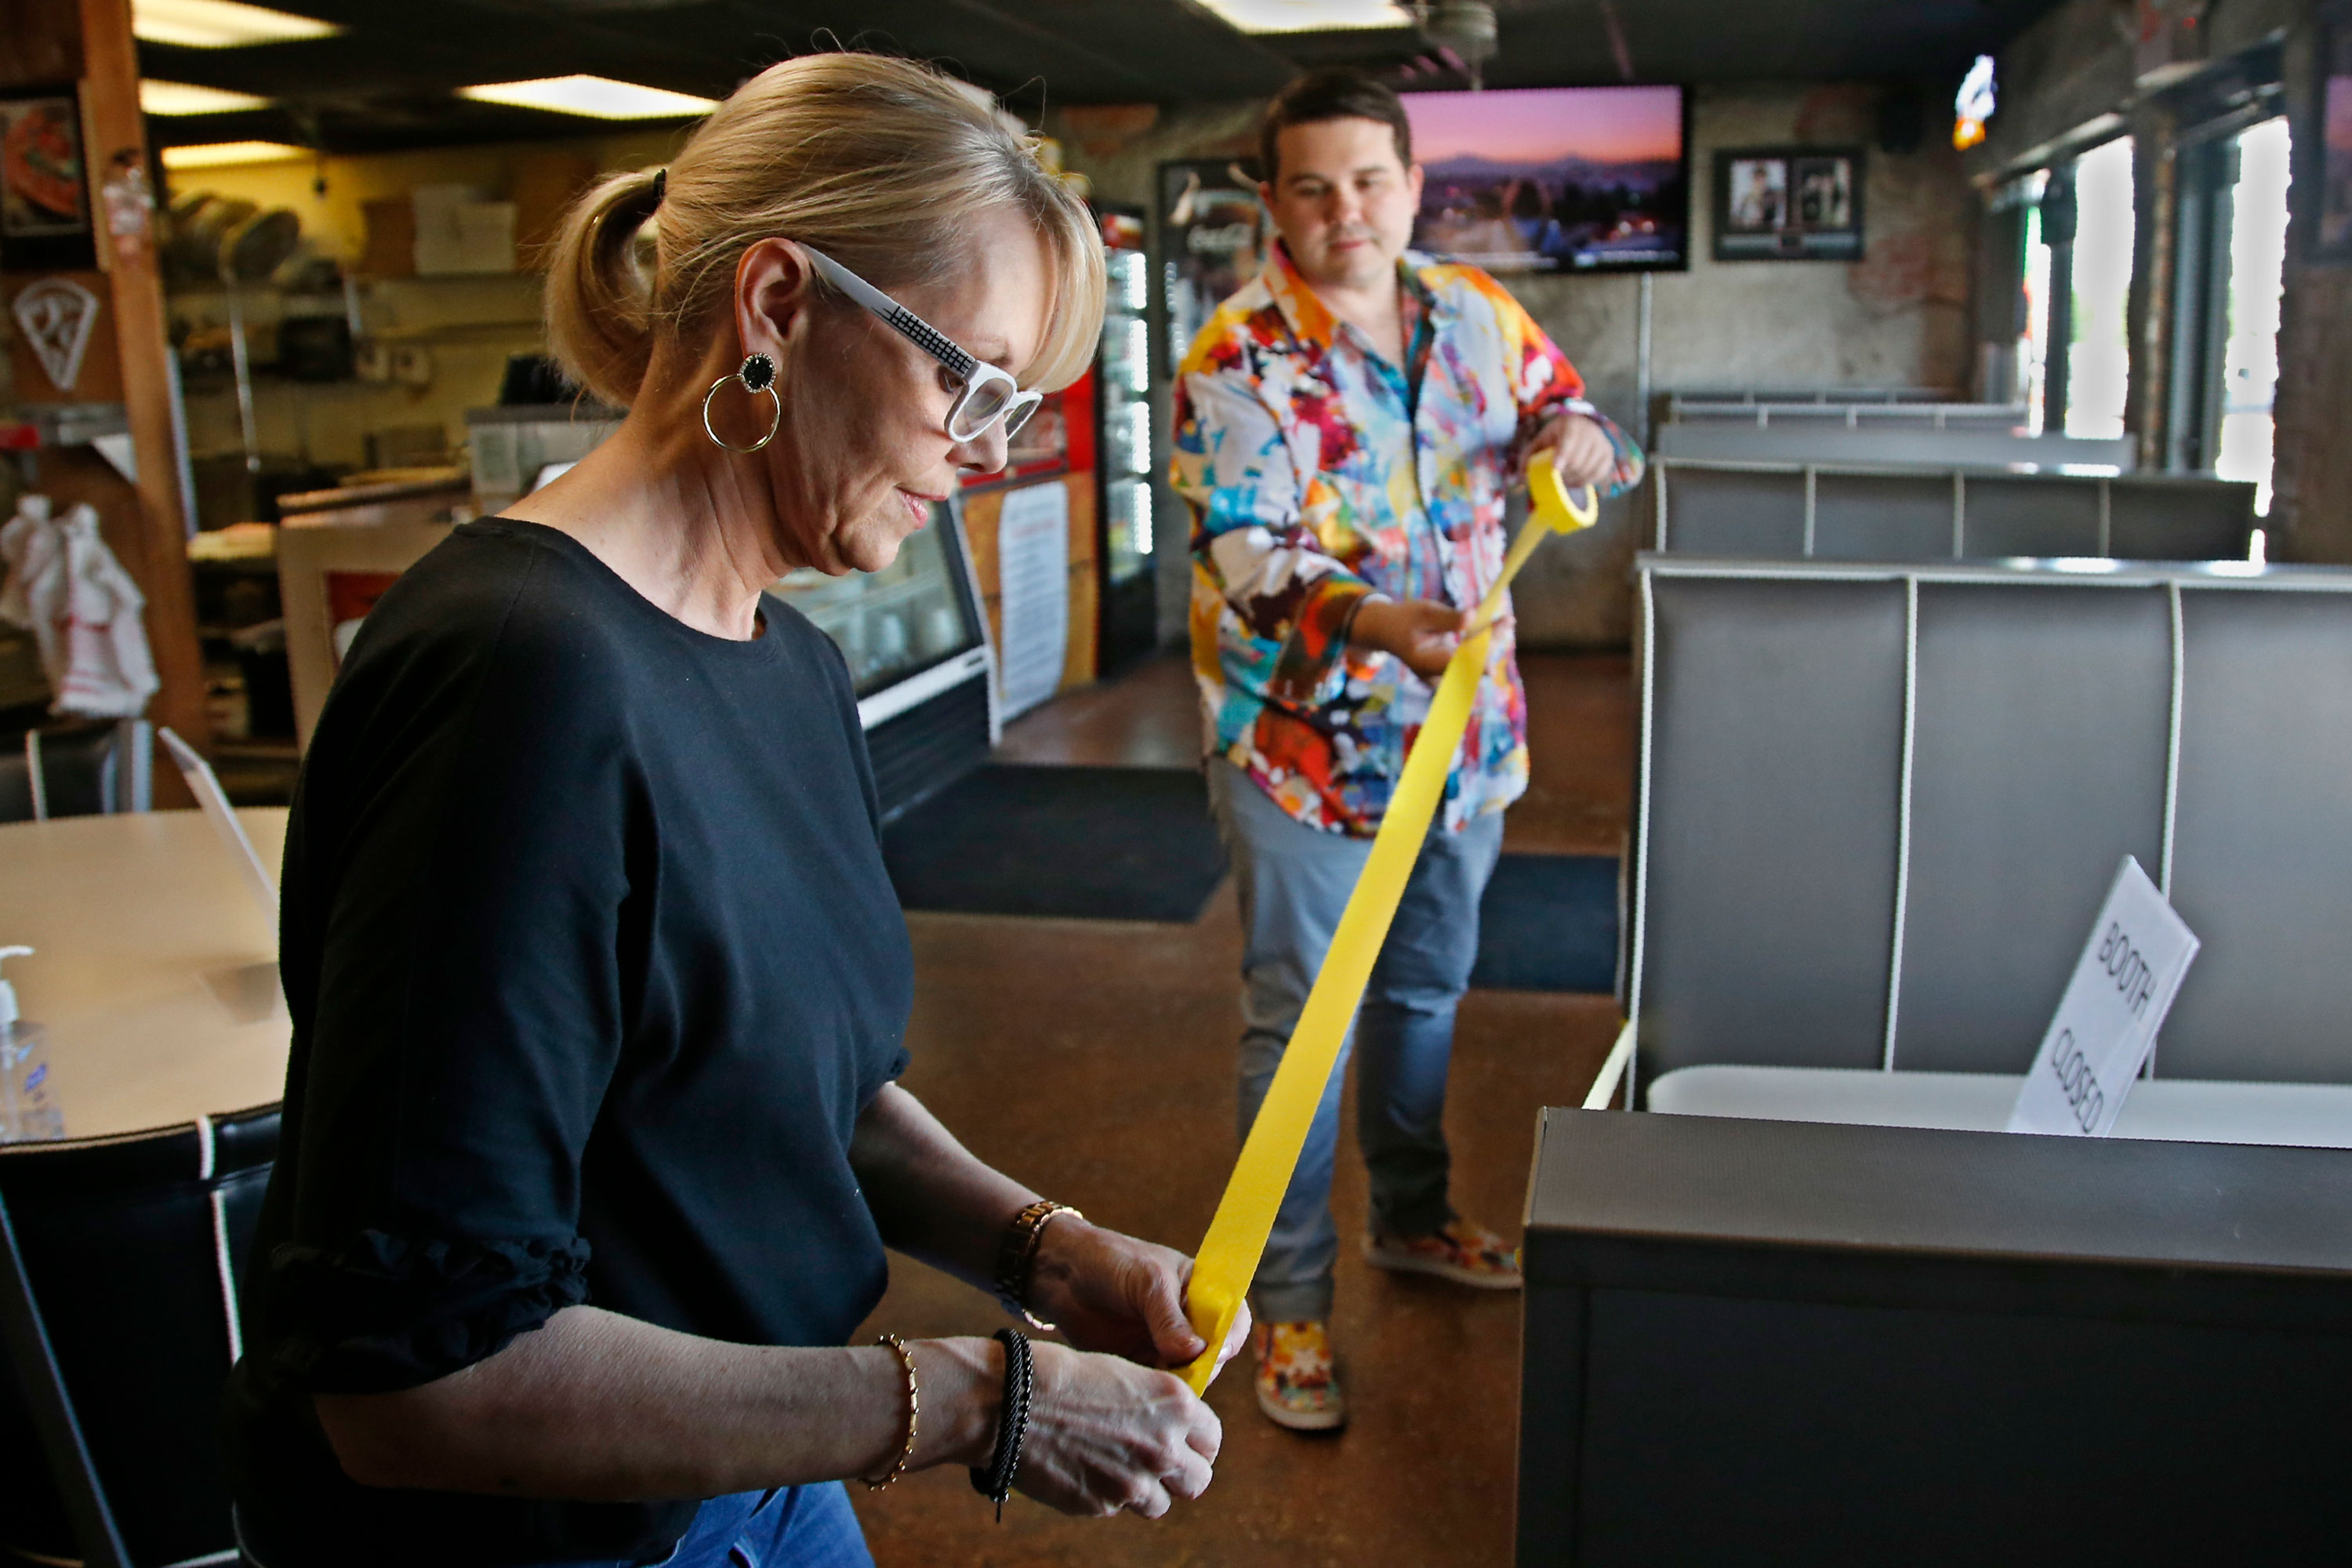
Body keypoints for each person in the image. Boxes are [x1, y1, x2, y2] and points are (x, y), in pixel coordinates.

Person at [223, 53, 1243, 1567]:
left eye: (1016, 404)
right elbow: (417, 1385)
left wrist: (1038, 1248)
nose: (988, 452)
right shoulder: (521, 681)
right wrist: (980, 1400)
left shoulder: (791, 659)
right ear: (776, 308)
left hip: (768, 1474)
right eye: (968, 380)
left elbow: (809, 1097)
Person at [1169, 68, 1644, 1434]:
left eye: (1369, 180)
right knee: (1300, 1031)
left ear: (1413, 186)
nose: (1344, 211)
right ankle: (1294, 1300)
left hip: (1464, 749)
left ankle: (1414, 1221)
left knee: (1426, 995)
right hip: (1300, 753)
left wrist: (1576, 438)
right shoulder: (1237, 358)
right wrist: (1380, 623)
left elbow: (1583, 417)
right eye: (1310, 186)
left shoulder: (1477, 313)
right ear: (1273, 201)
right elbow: (1250, 556)